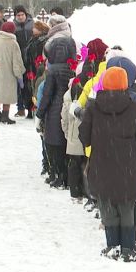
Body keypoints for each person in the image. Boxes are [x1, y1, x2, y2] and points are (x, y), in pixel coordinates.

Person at [78, 67, 136, 263]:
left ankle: (112, 245)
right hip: (128, 168)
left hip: (101, 166)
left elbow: (83, 137)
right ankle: (128, 248)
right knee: (127, 207)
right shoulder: (135, 108)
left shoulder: (93, 108)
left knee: (107, 206)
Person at [37, 29, 76, 189]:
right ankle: (65, 177)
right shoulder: (72, 68)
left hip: (54, 111)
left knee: (55, 146)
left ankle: (58, 176)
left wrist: (40, 113)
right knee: (65, 145)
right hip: (68, 109)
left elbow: (47, 95)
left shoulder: (52, 72)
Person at [0, 21, 25, 124]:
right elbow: (16, 62)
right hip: (8, 74)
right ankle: (5, 116)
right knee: (6, 95)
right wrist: (19, 76)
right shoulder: (13, 43)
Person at [12, 6, 34, 117]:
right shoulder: (13, 26)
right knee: (19, 85)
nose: (20, 17)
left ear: (26, 15)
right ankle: (20, 108)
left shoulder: (32, 24)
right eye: (18, 15)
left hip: (31, 58)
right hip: (18, 58)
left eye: (22, 15)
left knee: (30, 84)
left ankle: (31, 108)